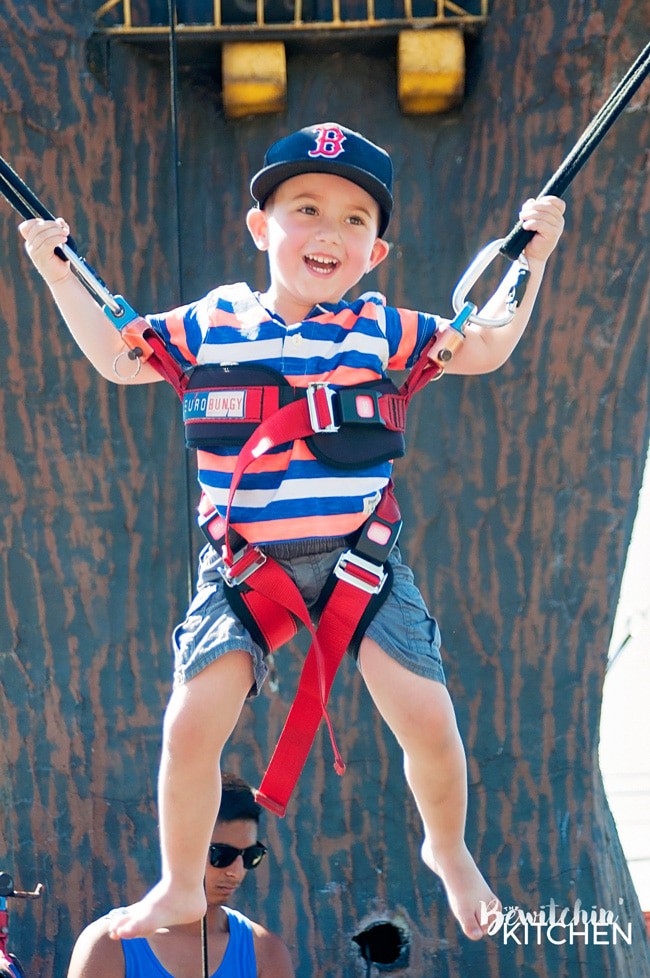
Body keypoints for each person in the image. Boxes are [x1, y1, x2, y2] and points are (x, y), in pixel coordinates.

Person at [19, 122, 565, 943]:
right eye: (305, 209)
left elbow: (484, 345)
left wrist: (533, 256)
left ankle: (448, 850)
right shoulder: (213, 323)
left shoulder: (383, 328)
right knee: (188, 727)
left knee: (430, 719)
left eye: (354, 220)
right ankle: (177, 884)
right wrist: (59, 271)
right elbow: (120, 355)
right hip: (245, 574)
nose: (329, 233)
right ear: (260, 228)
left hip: (362, 566)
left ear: (376, 252)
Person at [66, 773, 295, 977]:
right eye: (221, 854)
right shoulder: (109, 945)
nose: (236, 871)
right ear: (177, 843)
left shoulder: (265, 953)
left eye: (250, 855)